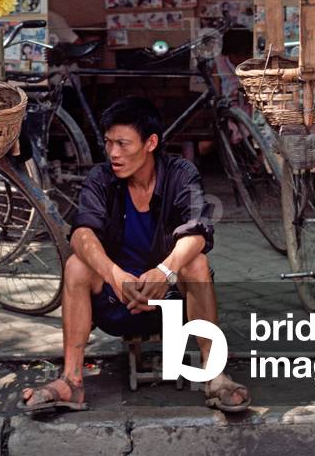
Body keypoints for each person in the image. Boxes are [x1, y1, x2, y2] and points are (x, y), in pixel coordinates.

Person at [19, 97, 250, 413]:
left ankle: (214, 374)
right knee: (76, 265)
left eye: (123, 144)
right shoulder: (101, 178)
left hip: (173, 307)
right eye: (108, 143)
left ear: (150, 143)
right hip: (116, 303)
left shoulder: (180, 174)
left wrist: (163, 272)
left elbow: (198, 231)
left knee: (197, 263)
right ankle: (71, 381)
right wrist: (115, 276)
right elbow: (82, 233)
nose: (113, 153)